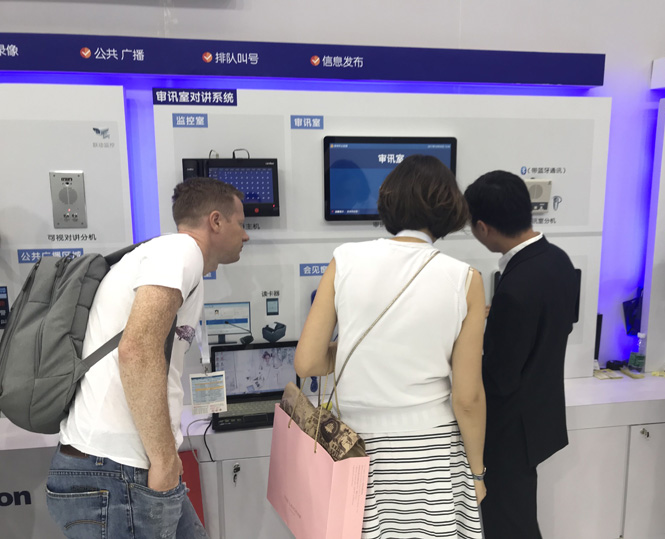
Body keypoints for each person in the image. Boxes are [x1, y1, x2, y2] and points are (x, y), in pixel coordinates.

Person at [295, 154, 487, 539]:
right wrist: (478, 472)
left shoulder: (344, 260)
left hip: (354, 449)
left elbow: (308, 362)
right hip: (431, 455)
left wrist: (354, 347)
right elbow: (467, 398)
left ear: (388, 201)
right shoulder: (465, 279)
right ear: (450, 208)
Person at [46, 177, 250, 539]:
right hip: (118, 472)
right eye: (241, 223)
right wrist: (165, 460)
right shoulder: (181, 253)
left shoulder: (167, 255)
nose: (246, 235)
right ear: (216, 221)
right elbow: (137, 351)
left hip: (122, 469)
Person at [464, 170, 579, 539]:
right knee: (518, 516)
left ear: (483, 227)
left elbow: (500, 376)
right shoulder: (558, 260)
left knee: (508, 523)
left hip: (508, 430)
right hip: (538, 415)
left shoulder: (515, 287)